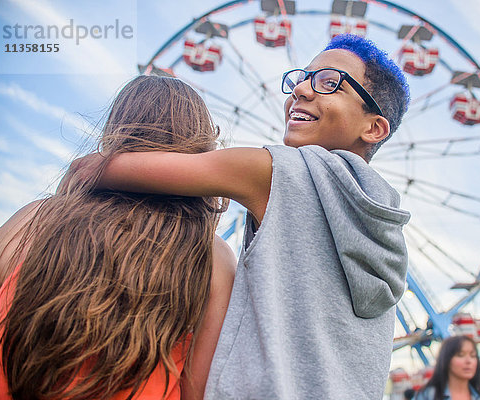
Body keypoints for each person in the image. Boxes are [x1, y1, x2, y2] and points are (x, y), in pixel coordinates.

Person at [75, 33, 411, 399]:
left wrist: (70, 190)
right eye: (301, 78)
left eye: (330, 83)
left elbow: (104, 169)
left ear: (373, 128)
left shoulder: (279, 171)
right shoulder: (386, 225)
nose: (300, 90)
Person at [0, 75, 237, 400]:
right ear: (201, 144)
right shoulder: (213, 259)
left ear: (113, 133)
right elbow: (199, 391)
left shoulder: (29, 221)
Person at [414, 336, 480, 400]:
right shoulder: (428, 396)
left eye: (473, 356)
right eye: (460, 355)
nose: (468, 361)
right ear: (446, 359)